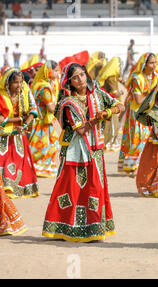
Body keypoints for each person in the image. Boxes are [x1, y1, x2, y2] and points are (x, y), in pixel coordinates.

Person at [42, 62, 125, 242]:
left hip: (95, 149)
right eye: (75, 77)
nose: (80, 79)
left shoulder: (97, 93)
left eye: (82, 74)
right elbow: (80, 130)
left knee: (95, 188)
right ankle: (63, 226)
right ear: (69, 82)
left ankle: (94, 227)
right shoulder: (68, 102)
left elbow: (121, 105)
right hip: (74, 152)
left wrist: (111, 110)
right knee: (70, 188)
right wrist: (99, 117)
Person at [118, 52, 158, 175]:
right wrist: (154, 96)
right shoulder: (137, 78)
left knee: (150, 139)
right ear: (144, 64)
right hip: (137, 113)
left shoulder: (157, 76)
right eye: (151, 62)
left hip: (151, 112)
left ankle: (144, 165)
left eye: (155, 62)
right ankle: (132, 165)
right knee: (137, 138)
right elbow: (138, 100)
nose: (154, 65)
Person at [0, 68, 39, 198]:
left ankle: (14, 188)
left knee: (19, 160)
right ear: (8, 83)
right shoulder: (1, 96)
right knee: (5, 160)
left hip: (20, 132)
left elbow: (33, 110)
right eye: (16, 82)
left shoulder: (25, 92)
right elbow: (1, 120)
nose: (19, 85)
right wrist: (21, 119)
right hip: (5, 134)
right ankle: (6, 187)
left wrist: (25, 125)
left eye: (21, 82)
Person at [28, 60, 61, 178]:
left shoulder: (39, 84)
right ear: (49, 71)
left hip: (39, 120)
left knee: (45, 144)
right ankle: (39, 168)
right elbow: (51, 108)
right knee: (45, 146)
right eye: (56, 70)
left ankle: (40, 167)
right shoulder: (44, 88)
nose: (58, 73)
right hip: (42, 122)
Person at [97, 57, 124, 152]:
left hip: (108, 104)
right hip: (111, 105)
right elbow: (114, 93)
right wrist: (121, 92)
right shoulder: (111, 77)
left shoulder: (110, 76)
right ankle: (111, 143)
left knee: (108, 124)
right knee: (113, 124)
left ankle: (107, 142)